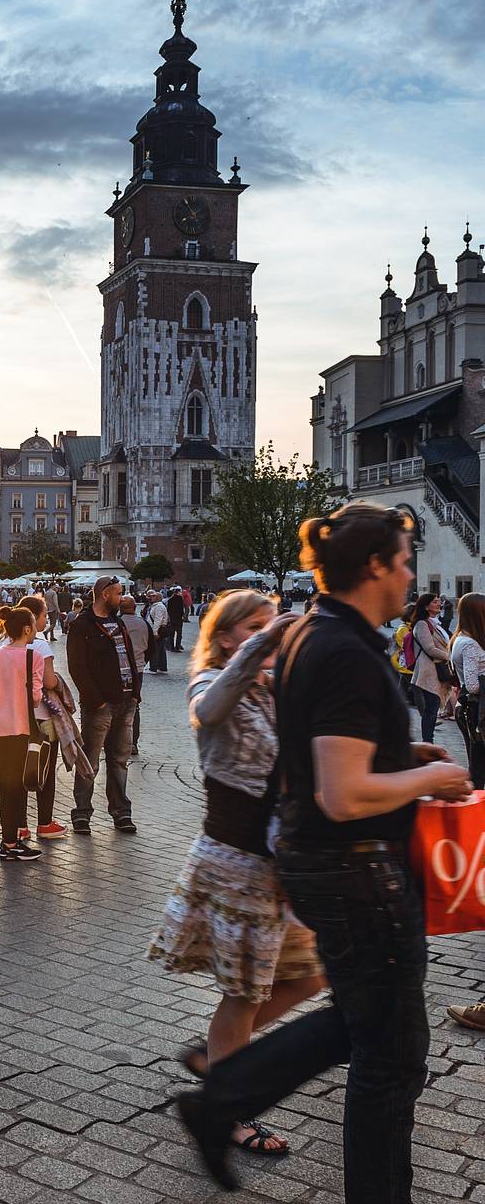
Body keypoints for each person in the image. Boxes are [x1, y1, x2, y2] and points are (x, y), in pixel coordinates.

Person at [179, 502, 472, 1201]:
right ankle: (222, 1099)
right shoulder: (344, 650)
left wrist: (401, 752)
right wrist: (432, 775)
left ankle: (223, 1095)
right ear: (374, 565)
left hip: (326, 865)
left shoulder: (318, 632)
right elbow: (342, 793)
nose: (409, 576)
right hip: (358, 870)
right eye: (404, 561)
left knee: (369, 1025)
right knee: (391, 1056)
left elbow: (316, 753)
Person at [149, 591, 326, 1158]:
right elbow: (208, 710)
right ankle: (228, 1108)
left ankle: (217, 1055)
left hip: (279, 864)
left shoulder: (274, 690)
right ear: (226, 636)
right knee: (243, 993)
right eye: (252, 626)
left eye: (269, 623)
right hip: (237, 862)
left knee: (308, 975)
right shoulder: (209, 680)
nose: (266, 632)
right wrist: (263, 643)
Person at [0, 606, 46, 861]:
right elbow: (35, 697)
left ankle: (10, 840)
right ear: (26, 629)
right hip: (20, 726)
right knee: (18, 785)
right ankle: (11, 843)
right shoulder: (31, 656)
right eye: (34, 625)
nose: (35, 629)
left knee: (7, 784)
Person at [66, 575, 139, 834]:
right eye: (119, 593)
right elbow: (77, 667)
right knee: (90, 762)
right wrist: (95, 700)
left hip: (126, 701)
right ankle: (82, 813)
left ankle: (121, 813)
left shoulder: (118, 623)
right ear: (105, 595)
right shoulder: (83, 625)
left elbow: (130, 657)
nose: (123, 598)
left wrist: (135, 694)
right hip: (100, 705)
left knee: (119, 760)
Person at [16, 594, 68, 839]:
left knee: (19, 770)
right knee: (44, 769)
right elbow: (48, 680)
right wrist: (59, 681)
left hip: (17, 717)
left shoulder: (7, 643)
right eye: (45, 614)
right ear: (33, 617)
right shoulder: (40, 645)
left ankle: (20, 825)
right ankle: (45, 823)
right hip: (42, 717)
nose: (46, 619)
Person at [449, 591, 485, 790]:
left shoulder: (462, 638)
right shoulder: (469, 644)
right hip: (475, 709)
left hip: (470, 707)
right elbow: (472, 685)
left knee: (477, 764)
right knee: (478, 767)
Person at [408, 591, 450, 743]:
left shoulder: (435, 623)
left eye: (439, 601)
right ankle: (428, 742)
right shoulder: (422, 624)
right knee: (431, 710)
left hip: (435, 669)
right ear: (425, 606)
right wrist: (449, 656)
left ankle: (429, 741)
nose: (438, 603)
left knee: (432, 708)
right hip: (428, 670)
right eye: (434, 602)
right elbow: (430, 648)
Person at [118, 595, 151, 756]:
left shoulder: (117, 623)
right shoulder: (143, 623)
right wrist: (142, 661)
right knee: (134, 704)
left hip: (119, 669)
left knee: (115, 704)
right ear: (134, 607)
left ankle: (114, 740)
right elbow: (151, 646)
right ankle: (133, 743)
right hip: (138, 669)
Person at [146, 590, 169, 672]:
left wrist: (155, 632)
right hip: (159, 630)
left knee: (154, 649)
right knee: (161, 649)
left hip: (157, 631)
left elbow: (157, 620)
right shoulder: (155, 606)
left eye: (153, 596)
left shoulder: (159, 606)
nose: (150, 598)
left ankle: (153, 668)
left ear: (158, 597)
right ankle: (162, 667)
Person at [167, 586, 186, 652]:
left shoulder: (170, 599)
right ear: (178, 592)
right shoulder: (180, 599)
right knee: (179, 634)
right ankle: (177, 647)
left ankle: (171, 647)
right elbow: (181, 609)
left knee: (171, 634)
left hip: (172, 619)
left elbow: (168, 610)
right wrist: (183, 616)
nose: (181, 593)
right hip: (178, 619)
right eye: (180, 592)